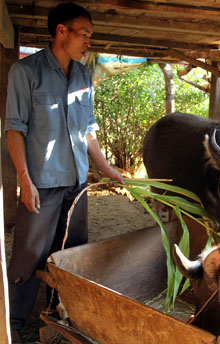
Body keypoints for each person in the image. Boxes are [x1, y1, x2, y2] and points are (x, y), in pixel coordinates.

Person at [5, 3, 124, 342]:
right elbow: (15, 130)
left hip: (77, 185)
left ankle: (58, 319)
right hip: (41, 185)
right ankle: (12, 325)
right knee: (28, 258)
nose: (88, 41)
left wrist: (104, 167)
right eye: (83, 34)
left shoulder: (84, 76)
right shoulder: (25, 72)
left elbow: (87, 129)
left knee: (69, 257)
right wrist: (25, 183)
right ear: (61, 31)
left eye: (89, 36)